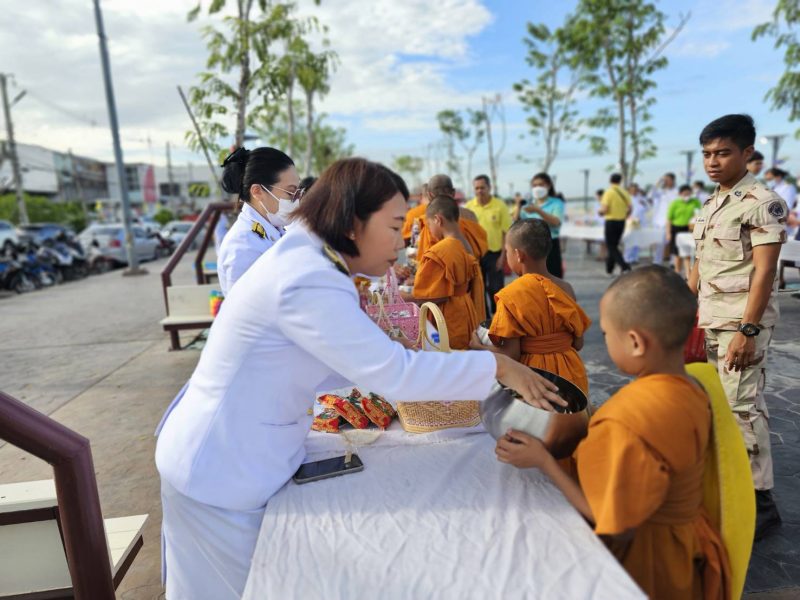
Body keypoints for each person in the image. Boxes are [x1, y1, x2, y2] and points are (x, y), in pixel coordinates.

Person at [155, 158, 563, 598]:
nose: (401, 243)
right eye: (394, 227)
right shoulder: (307, 276)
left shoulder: (311, 259)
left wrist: (383, 350)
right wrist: (499, 367)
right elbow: (395, 375)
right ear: (352, 224)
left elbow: (340, 360)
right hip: (220, 468)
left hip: (239, 456)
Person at [496, 266, 732, 600]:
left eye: (607, 333)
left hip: (650, 564)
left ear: (635, 342)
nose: (605, 339)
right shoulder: (693, 387)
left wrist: (543, 461)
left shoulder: (628, 419)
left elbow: (613, 522)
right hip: (686, 545)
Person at [689, 113, 788, 540]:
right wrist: (685, 313)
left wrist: (748, 332)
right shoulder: (712, 204)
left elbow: (765, 272)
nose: (712, 162)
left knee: (742, 408)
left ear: (747, 153)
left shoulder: (762, 202)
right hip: (710, 319)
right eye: (707, 154)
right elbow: (699, 265)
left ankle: (760, 502)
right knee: (719, 405)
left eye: (723, 152)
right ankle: (729, 487)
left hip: (741, 324)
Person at [471, 219, 591, 394]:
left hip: (535, 379)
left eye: (507, 251)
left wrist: (479, 348)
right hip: (571, 377)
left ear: (518, 255)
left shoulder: (511, 295)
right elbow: (578, 343)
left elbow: (511, 355)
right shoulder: (566, 288)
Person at [216, 147, 302, 296]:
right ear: (257, 191)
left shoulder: (273, 229)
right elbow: (244, 306)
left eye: (298, 192)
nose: (296, 200)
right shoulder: (243, 246)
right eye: (290, 192)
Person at [410, 195, 482, 349]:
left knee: (451, 355)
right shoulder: (465, 245)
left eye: (429, 224)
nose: (429, 230)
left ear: (438, 219)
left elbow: (430, 296)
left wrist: (405, 297)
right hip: (466, 309)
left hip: (448, 317)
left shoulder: (440, 251)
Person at [413, 174, 488, 320]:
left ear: (429, 194)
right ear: (453, 192)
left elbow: (432, 288)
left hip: (444, 303)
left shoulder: (432, 227)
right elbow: (477, 253)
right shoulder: (469, 216)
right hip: (467, 292)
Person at [465, 175, 512, 316]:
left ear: (489, 188)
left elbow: (506, 232)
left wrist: (503, 256)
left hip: (495, 254)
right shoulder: (468, 208)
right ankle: (484, 318)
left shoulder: (500, 206)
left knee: (496, 288)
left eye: (482, 187)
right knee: (479, 290)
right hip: (476, 255)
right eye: (476, 188)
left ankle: (499, 316)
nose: (479, 191)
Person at [519, 172, 565, 278]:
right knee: (533, 279)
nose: (537, 188)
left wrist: (538, 210)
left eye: (541, 184)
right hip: (531, 245)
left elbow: (556, 222)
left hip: (550, 244)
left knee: (553, 278)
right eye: (534, 185)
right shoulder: (528, 205)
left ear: (548, 185)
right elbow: (520, 223)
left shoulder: (556, 203)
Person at [667, 184, 702, 278]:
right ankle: (677, 273)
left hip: (689, 229)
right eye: (685, 194)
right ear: (680, 194)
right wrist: (668, 233)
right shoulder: (675, 203)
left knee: (688, 253)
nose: (687, 196)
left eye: (688, 194)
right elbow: (669, 219)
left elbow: (699, 214)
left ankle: (688, 275)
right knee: (677, 253)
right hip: (676, 229)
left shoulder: (695, 202)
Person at [599, 173, 631, 275]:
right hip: (621, 222)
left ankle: (624, 266)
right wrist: (625, 215)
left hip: (611, 221)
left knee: (611, 246)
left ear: (610, 180)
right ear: (620, 181)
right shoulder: (624, 192)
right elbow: (630, 207)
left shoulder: (608, 192)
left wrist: (600, 212)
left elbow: (605, 209)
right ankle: (609, 269)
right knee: (614, 246)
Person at [649, 172, 679, 264]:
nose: (666, 182)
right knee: (659, 242)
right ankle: (657, 261)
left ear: (673, 180)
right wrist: (658, 182)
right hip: (660, 221)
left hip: (673, 220)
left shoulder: (677, 192)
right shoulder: (661, 192)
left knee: (673, 242)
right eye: (664, 180)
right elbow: (650, 195)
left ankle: (673, 262)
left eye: (667, 180)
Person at [623, 182, 649, 265]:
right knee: (630, 240)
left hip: (640, 222)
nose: (634, 191)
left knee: (638, 241)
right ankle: (627, 258)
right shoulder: (626, 198)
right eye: (632, 190)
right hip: (630, 222)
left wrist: (644, 204)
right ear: (629, 190)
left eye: (635, 190)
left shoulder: (642, 198)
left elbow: (647, 208)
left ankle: (635, 258)